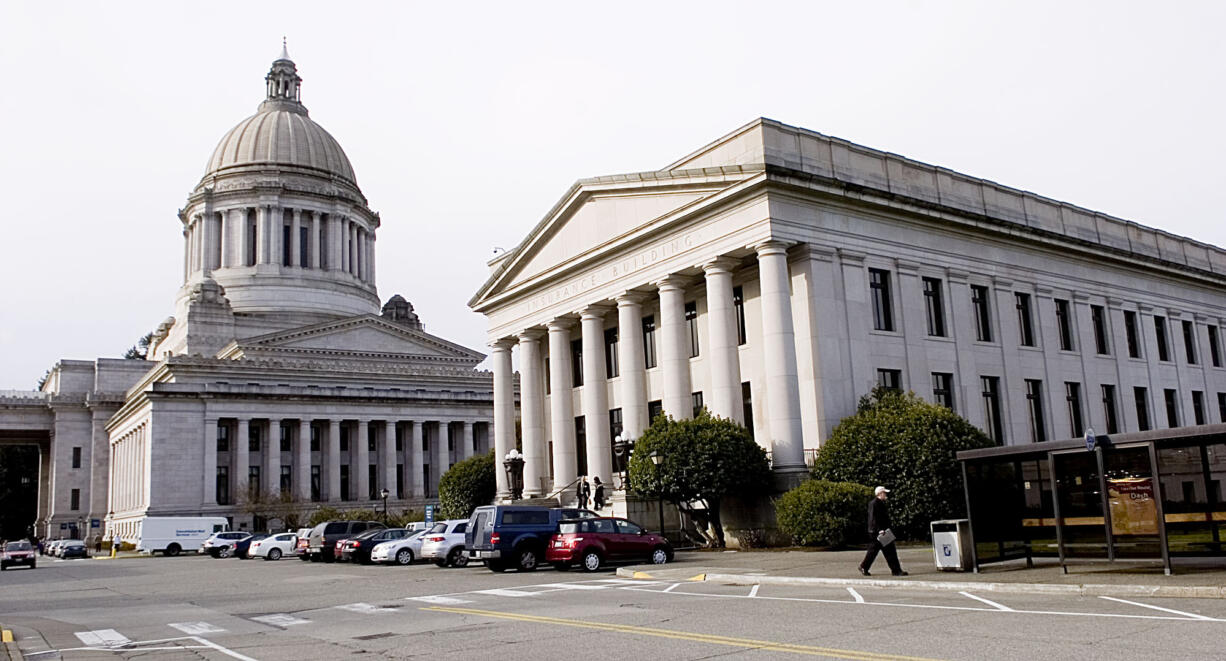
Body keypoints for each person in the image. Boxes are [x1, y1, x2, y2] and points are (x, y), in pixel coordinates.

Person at [859, 486, 907, 577]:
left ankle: (864, 567)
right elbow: (873, 518)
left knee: (877, 551)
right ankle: (895, 570)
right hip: (879, 532)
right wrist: (879, 529)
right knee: (885, 551)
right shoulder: (874, 504)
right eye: (884, 493)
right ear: (880, 493)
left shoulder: (879, 503)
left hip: (880, 532)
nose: (886, 494)